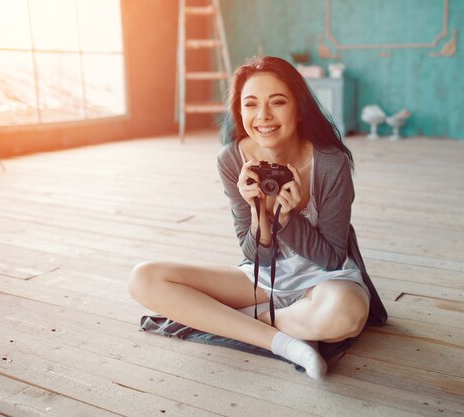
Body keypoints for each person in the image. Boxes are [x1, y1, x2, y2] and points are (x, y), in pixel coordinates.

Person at [128, 56, 387, 379]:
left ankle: (240, 320)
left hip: (325, 279)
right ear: (240, 112)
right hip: (265, 276)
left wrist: (288, 219)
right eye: (250, 105)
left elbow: (332, 258)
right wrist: (259, 214)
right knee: (144, 278)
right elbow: (254, 256)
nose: (263, 116)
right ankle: (285, 343)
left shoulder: (330, 162)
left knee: (345, 316)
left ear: (299, 110)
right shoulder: (232, 159)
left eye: (277, 102)